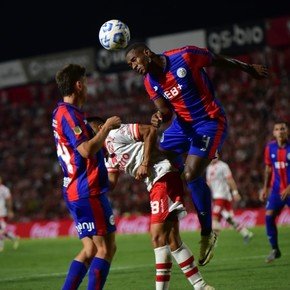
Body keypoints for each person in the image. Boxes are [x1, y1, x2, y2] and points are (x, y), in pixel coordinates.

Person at [125, 42, 268, 266]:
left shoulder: (185, 56)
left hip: (209, 123)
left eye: (134, 60)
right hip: (182, 126)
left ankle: (207, 232)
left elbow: (218, 59)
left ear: (146, 53)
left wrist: (248, 68)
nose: (133, 65)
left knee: (191, 175)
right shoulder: (150, 82)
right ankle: (180, 192)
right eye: (129, 64)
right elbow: (165, 111)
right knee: (159, 152)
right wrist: (158, 117)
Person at [88, 116, 215, 290]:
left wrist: (145, 163)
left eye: (91, 131)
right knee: (172, 239)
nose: (89, 136)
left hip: (163, 175)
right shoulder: (107, 156)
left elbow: (149, 130)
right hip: (156, 183)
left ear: (101, 127)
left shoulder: (115, 133)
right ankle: (201, 286)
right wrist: (88, 182)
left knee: (157, 236)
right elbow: (110, 183)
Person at [52, 64, 121, 290]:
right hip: (85, 190)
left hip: (77, 189)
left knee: (91, 249)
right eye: (86, 82)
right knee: (106, 248)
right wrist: (107, 127)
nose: (88, 87)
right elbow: (85, 150)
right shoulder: (68, 114)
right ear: (79, 85)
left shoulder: (61, 112)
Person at [259, 120, 290, 263]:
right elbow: (268, 168)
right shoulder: (270, 147)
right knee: (269, 216)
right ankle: (275, 249)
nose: (280, 131)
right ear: (274, 133)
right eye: (277, 129)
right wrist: (265, 187)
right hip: (277, 191)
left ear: (287, 131)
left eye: (283, 128)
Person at [206, 156, 254, 243]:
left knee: (214, 218)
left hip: (222, 196)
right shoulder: (208, 168)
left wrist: (235, 192)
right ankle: (246, 233)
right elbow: (209, 184)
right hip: (215, 197)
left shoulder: (223, 166)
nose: (214, 156)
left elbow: (230, 179)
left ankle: (212, 243)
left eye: (215, 153)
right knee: (229, 219)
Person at [0, 176, 19, 251]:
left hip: (1, 213)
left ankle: (1, 246)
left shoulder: (4, 189)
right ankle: (14, 238)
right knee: (2, 230)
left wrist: (10, 210)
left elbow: (9, 201)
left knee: (1, 230)